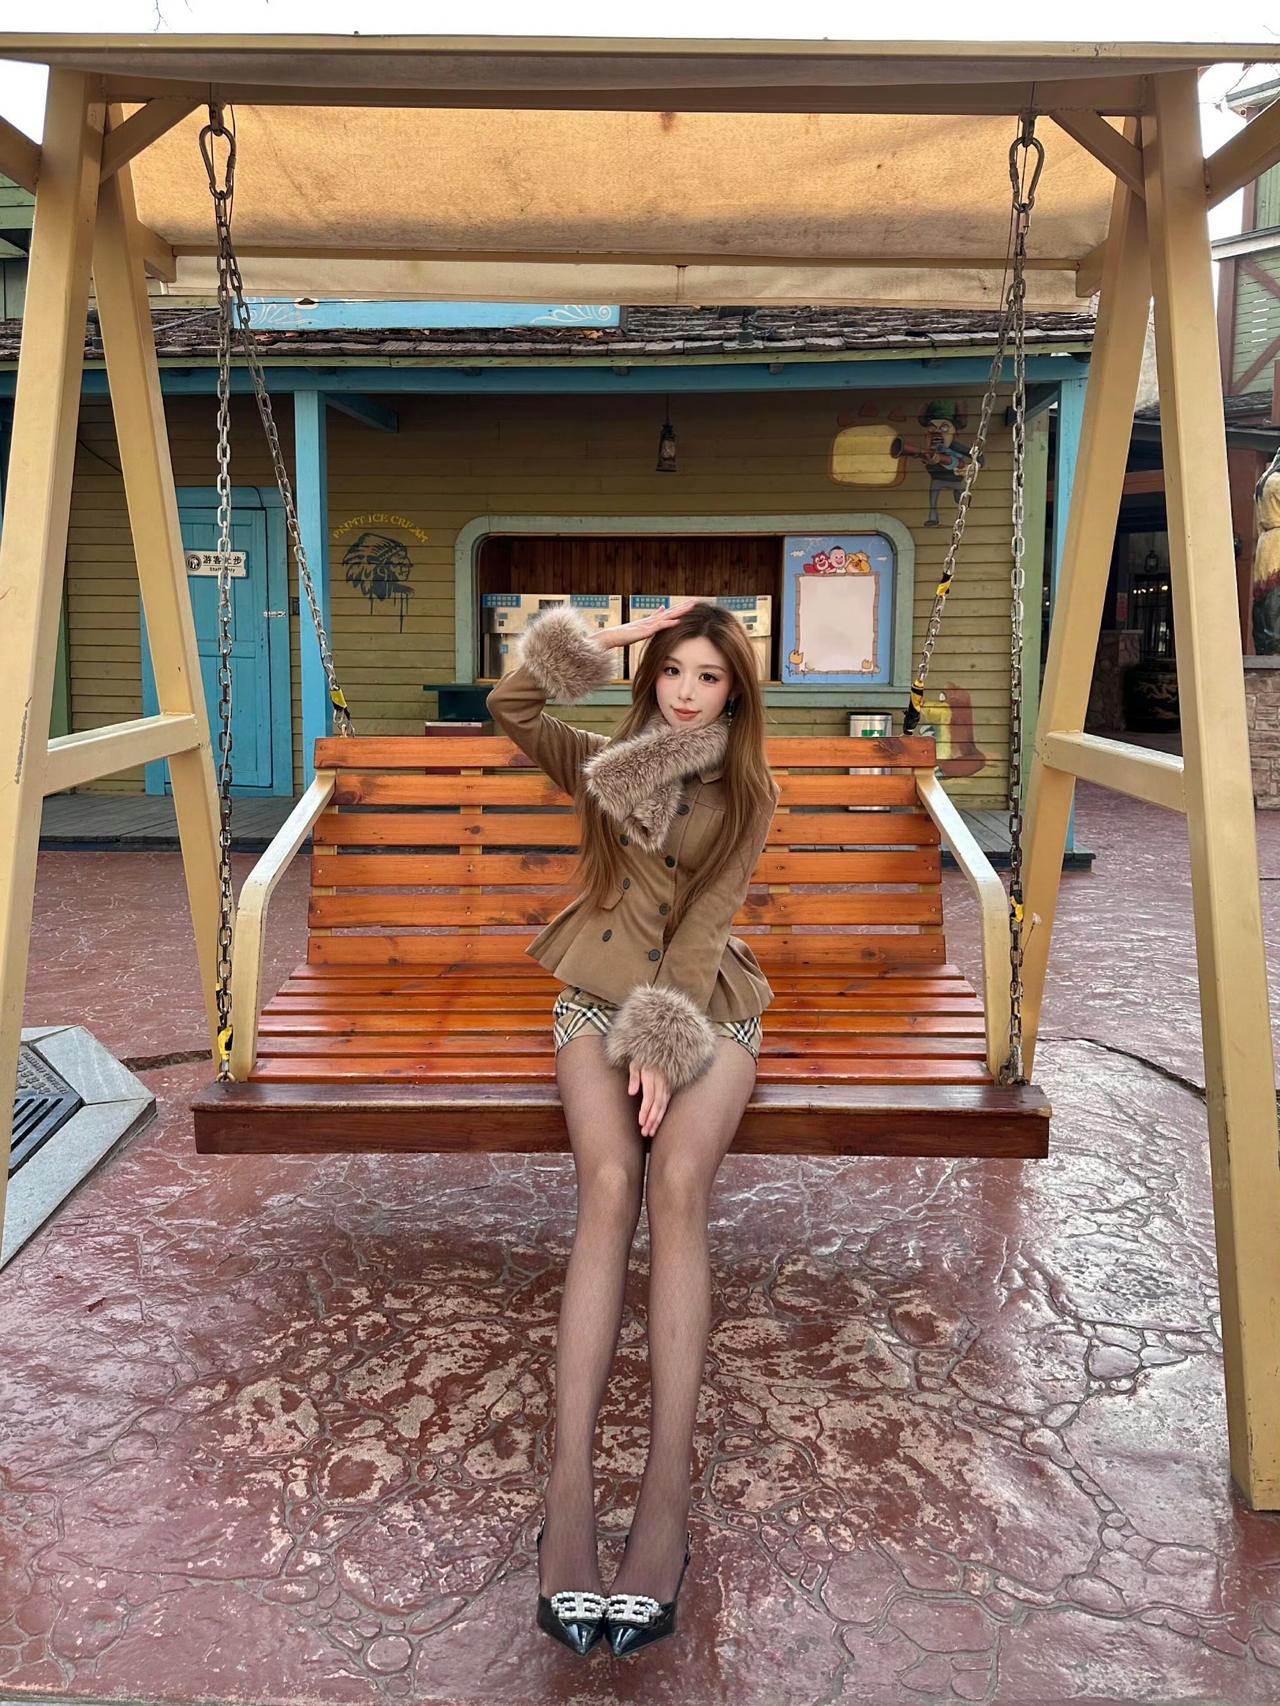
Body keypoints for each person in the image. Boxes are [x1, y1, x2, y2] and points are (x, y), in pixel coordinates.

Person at [485, 598, 779, 1658]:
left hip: (707, 1004)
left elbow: (704, 925)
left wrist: (663, 1037)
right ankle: (566, 1498)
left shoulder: (747, 789)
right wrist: (592, 645)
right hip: (591, 996)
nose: (687, 691)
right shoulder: (604, 762)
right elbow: (511, 706)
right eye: (672, 670)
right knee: (608, 1186)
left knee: (677, 1188)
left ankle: (663, 1504)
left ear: (734, 691)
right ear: (651, 675)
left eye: (709, 675)